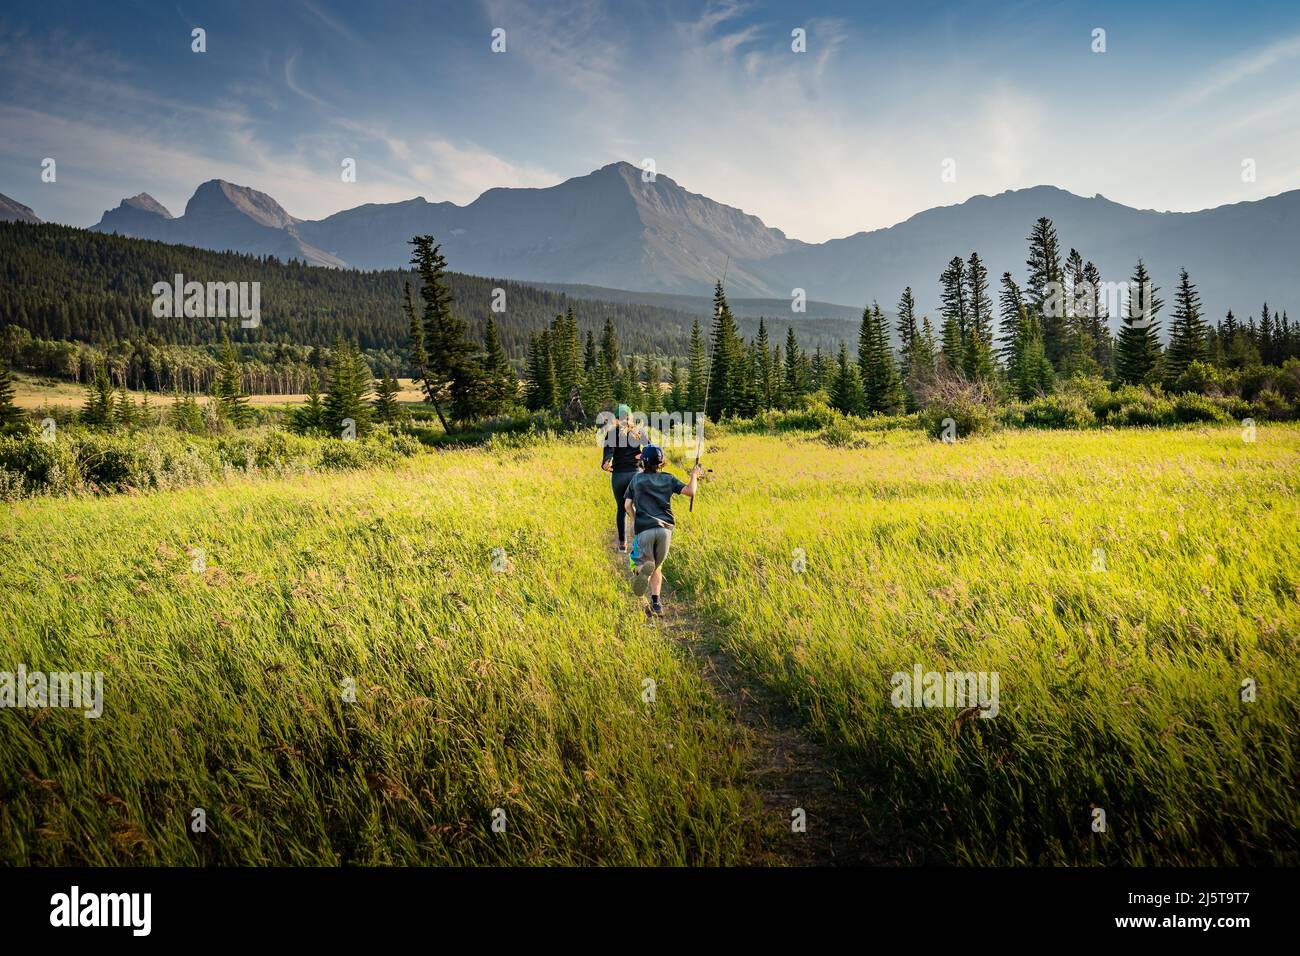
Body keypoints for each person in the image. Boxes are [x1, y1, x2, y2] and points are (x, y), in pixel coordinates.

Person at [623, 443, 701, 616]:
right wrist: (694, 475)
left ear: (643, 462)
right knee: (657, 567)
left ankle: (640, 569)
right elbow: (690, 492)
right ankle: (656, 604)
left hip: (645, 529)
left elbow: (627, 504)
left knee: (639, 562)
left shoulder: (636, 479)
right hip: (665, 530)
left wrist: (634, 519)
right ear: (662, 462)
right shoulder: (669, 478)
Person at [601, 404, 643, 553]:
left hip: (619, 475)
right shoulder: (638, 431)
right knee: (637, 508)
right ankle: (639, 543)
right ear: (631, 417)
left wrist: (606, 463)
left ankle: (622, 544)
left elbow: (608, 453)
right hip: (636, 475)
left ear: (616, 419)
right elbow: (651, 449)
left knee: (621, 509)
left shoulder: (612, 433)